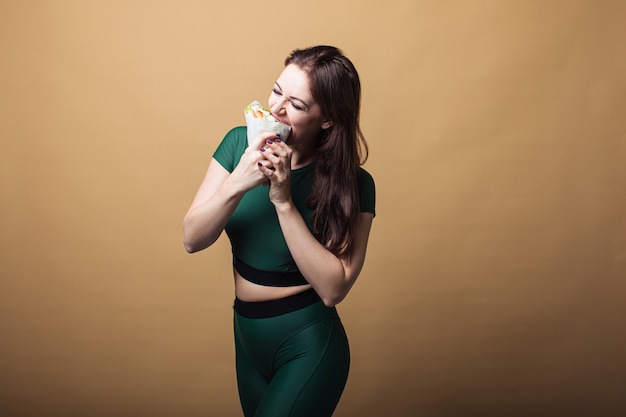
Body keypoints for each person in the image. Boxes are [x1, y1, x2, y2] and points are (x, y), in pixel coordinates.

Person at [183, 45, 376, 417]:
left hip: (307, 342)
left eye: (297, 105)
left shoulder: (354, 183)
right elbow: (192, 238)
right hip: (246, 337)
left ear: (327, 119)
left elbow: (334, 289)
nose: (276, 110)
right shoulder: (238, 143)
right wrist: (240, 179)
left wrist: (283, 200)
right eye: (276, 91)